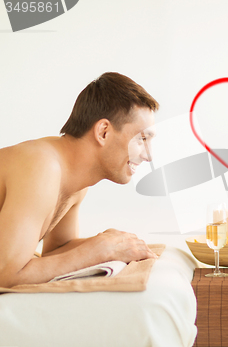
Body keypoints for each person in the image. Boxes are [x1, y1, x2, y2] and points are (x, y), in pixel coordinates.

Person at [0, 72, 159, 288]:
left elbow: (56, 250)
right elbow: (6, 274)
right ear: (103, 132)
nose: (148, 155)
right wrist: (99, 250)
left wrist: (110, 244)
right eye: (141, 139)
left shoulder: (74, 178)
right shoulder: (42, 166)